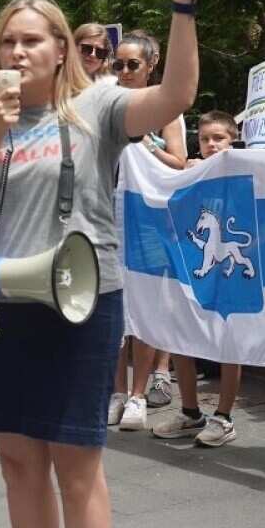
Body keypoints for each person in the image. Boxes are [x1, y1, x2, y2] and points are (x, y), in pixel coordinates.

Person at [0, 0, 215, 528]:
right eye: (8, 42)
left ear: (61, 48)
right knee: (16, 460)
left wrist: (182, 5)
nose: (17, 53)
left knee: (76, 464)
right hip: (8, 302)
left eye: (32, 41)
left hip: (82, 304)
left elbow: (177, 95)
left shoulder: (100, 106)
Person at [108, 29, 188, 429]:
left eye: (132, 64)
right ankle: (116, 391)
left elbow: (180, 161)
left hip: (150, 216)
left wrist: (146, 144)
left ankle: (139, 395)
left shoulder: (165, 108)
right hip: (108, 215)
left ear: (151, 65)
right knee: (111, 306)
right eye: (117, 64)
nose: (123, 71)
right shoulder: (106, 105)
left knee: (145, 304)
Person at [150, 110, 244, 446]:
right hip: (192, 269)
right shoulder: (191, 171)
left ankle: (225, 416)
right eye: (204, 139)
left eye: (218, 138)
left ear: (233, 139)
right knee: (180, 338)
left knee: (228, 341)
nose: (210, 144)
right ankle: (190, 412)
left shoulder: (245, 171)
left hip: (227, 273)